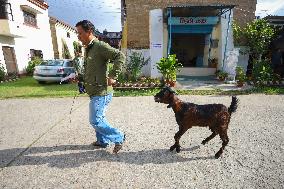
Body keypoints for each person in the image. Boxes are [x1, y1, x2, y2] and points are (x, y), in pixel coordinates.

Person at [75, 20, 126, 153]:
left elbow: (119, 56)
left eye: (80, 33)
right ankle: (102, 141)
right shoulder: (89, 48)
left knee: (95, 120)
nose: (78, 36)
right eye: (77, 33)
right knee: (100, 117)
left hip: (102, 92)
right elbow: (91, 70)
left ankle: (119, 136)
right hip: (94, 91)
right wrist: (80, 78)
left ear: (89, 32)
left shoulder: (99, 46)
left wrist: (113, 76)